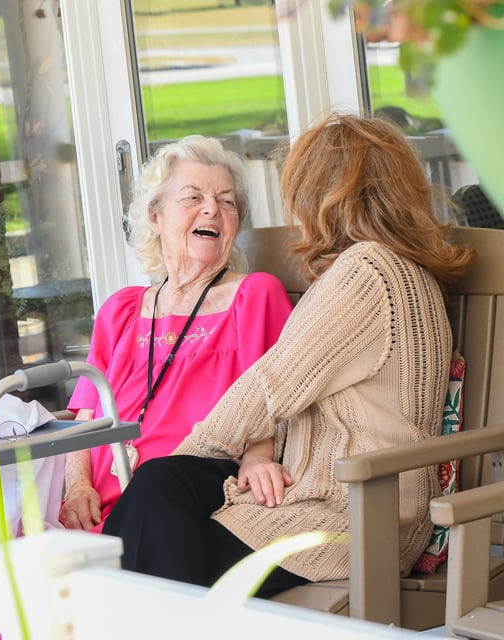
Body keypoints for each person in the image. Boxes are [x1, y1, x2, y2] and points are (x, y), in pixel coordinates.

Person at [101, 113, 475, 598]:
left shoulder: (367, 273)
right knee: (158, 491)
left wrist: (189, 455)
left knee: (155, 528)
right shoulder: (396, 267)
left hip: (354, 516)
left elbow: (270, 387)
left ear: (324, 195)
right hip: (337, 497)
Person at [58, 135, 293, 533]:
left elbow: (278, 399)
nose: (212, 210)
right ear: (155, 216)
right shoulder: (121, 310)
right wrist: (78, 486)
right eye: (193, 197)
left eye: (227, 201)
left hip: (186, 503)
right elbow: (84, 415)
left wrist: (258, 455)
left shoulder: (253, 297)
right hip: (98, 510)